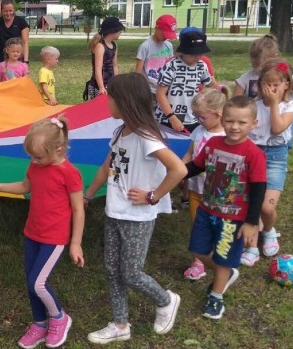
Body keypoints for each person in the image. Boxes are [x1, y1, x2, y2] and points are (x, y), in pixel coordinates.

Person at [84, 73, 185, 345]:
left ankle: (165, 300)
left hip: (137, 217)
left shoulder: (146, 137)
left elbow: (179, 169)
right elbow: (108, 166)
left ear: (124, 102)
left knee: (131, 273)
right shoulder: (120, 132)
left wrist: (153, 196)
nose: (107, 102)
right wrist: (88, 195)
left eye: (111, 98)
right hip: (114, 211)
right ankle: (120, 324)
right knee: (113, 270)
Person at [0, 117, 85, 349]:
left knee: (38, 283)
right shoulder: (36, 166)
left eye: (38, 156)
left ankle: (59, 318)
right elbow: (25, 187)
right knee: (31, 282)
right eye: (32, 156)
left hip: (54, 238)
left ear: (58, 150)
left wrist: (75, 243)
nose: (34, 161)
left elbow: (78, 209)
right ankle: (39, 323)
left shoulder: (70, 173)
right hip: (33, 233)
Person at [184, 95, 267, 319]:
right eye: (230, 121)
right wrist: (172, 171)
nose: (234, 127)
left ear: (253, 124)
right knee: (197, 250)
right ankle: (227, 273)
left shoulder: (254, 154)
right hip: (206, 209)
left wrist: (251, 222)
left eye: (242, 122)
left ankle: (216, 297)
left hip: (234, 218)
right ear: (223, 119)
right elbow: (194, 167)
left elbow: (259, 189)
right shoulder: (212, 144)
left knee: (223, 257)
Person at [241, 60, 293, 266]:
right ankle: (251, 246)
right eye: (266, 84)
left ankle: (268, 231)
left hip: (276, 157)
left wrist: (275, 103)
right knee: (250, 204)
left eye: (276, 84)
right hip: (253, 156)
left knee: (267, 208)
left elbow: (277, 129)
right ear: (259, 85)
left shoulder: (292, 104)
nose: (271, 89)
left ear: (286, 84)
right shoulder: (253, 105)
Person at [235, 35, 293, 167]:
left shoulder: (285, 77)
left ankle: (278, 161)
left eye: (261, 66)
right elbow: (234, 105)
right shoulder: (246, 79)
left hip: (279, 128)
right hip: (256, 129)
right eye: (254, 65)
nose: (258, 70)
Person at [180, 87, 230, 281]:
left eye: (201, 116)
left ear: (218, 114)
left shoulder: (227, 135)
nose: (198, 120)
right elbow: (189, 155)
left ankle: (222, 258)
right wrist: (181, 173)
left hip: (218, 194)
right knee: (196, 226)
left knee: (219, 227)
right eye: (196, 116)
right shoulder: (198, 131)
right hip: (195, 190)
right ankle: (198, 262)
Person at [155, 28, 215, 133]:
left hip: (193, 117)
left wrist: (220, 91)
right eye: (193, 53)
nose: (197, 57)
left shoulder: (201, 65)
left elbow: (210, 84)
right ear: (183, 51)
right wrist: (172, 118)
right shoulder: (171, 66)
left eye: (200, 53)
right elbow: (160, 94)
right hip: (168, 118)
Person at [135, 14, 177, 94]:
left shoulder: (168, 46)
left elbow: (170, 66)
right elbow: (138, 71)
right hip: (148, 90)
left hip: (164, 88)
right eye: (164, 34)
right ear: (157, 28)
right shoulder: (145, 46)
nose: (166, 37)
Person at [0, 0, 30, 78]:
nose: (8, 13)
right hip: (0, 56)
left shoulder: (21, 21)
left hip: (16, 57)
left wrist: (26, 61)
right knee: (1, 83)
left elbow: (25, 42)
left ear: (14, 9)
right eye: (5, 11)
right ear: (2, 11)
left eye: (10, 10)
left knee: (17, 83)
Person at [85, 17, 123, 100]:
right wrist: (101, 87)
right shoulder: (100, 46)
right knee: (97, 111)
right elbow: (98, 69)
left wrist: (116, 82)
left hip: (110, 85)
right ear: (113, 31)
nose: (121, 32)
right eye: (119, 30)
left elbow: (115, 65)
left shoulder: (114, 45)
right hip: (98, 86)